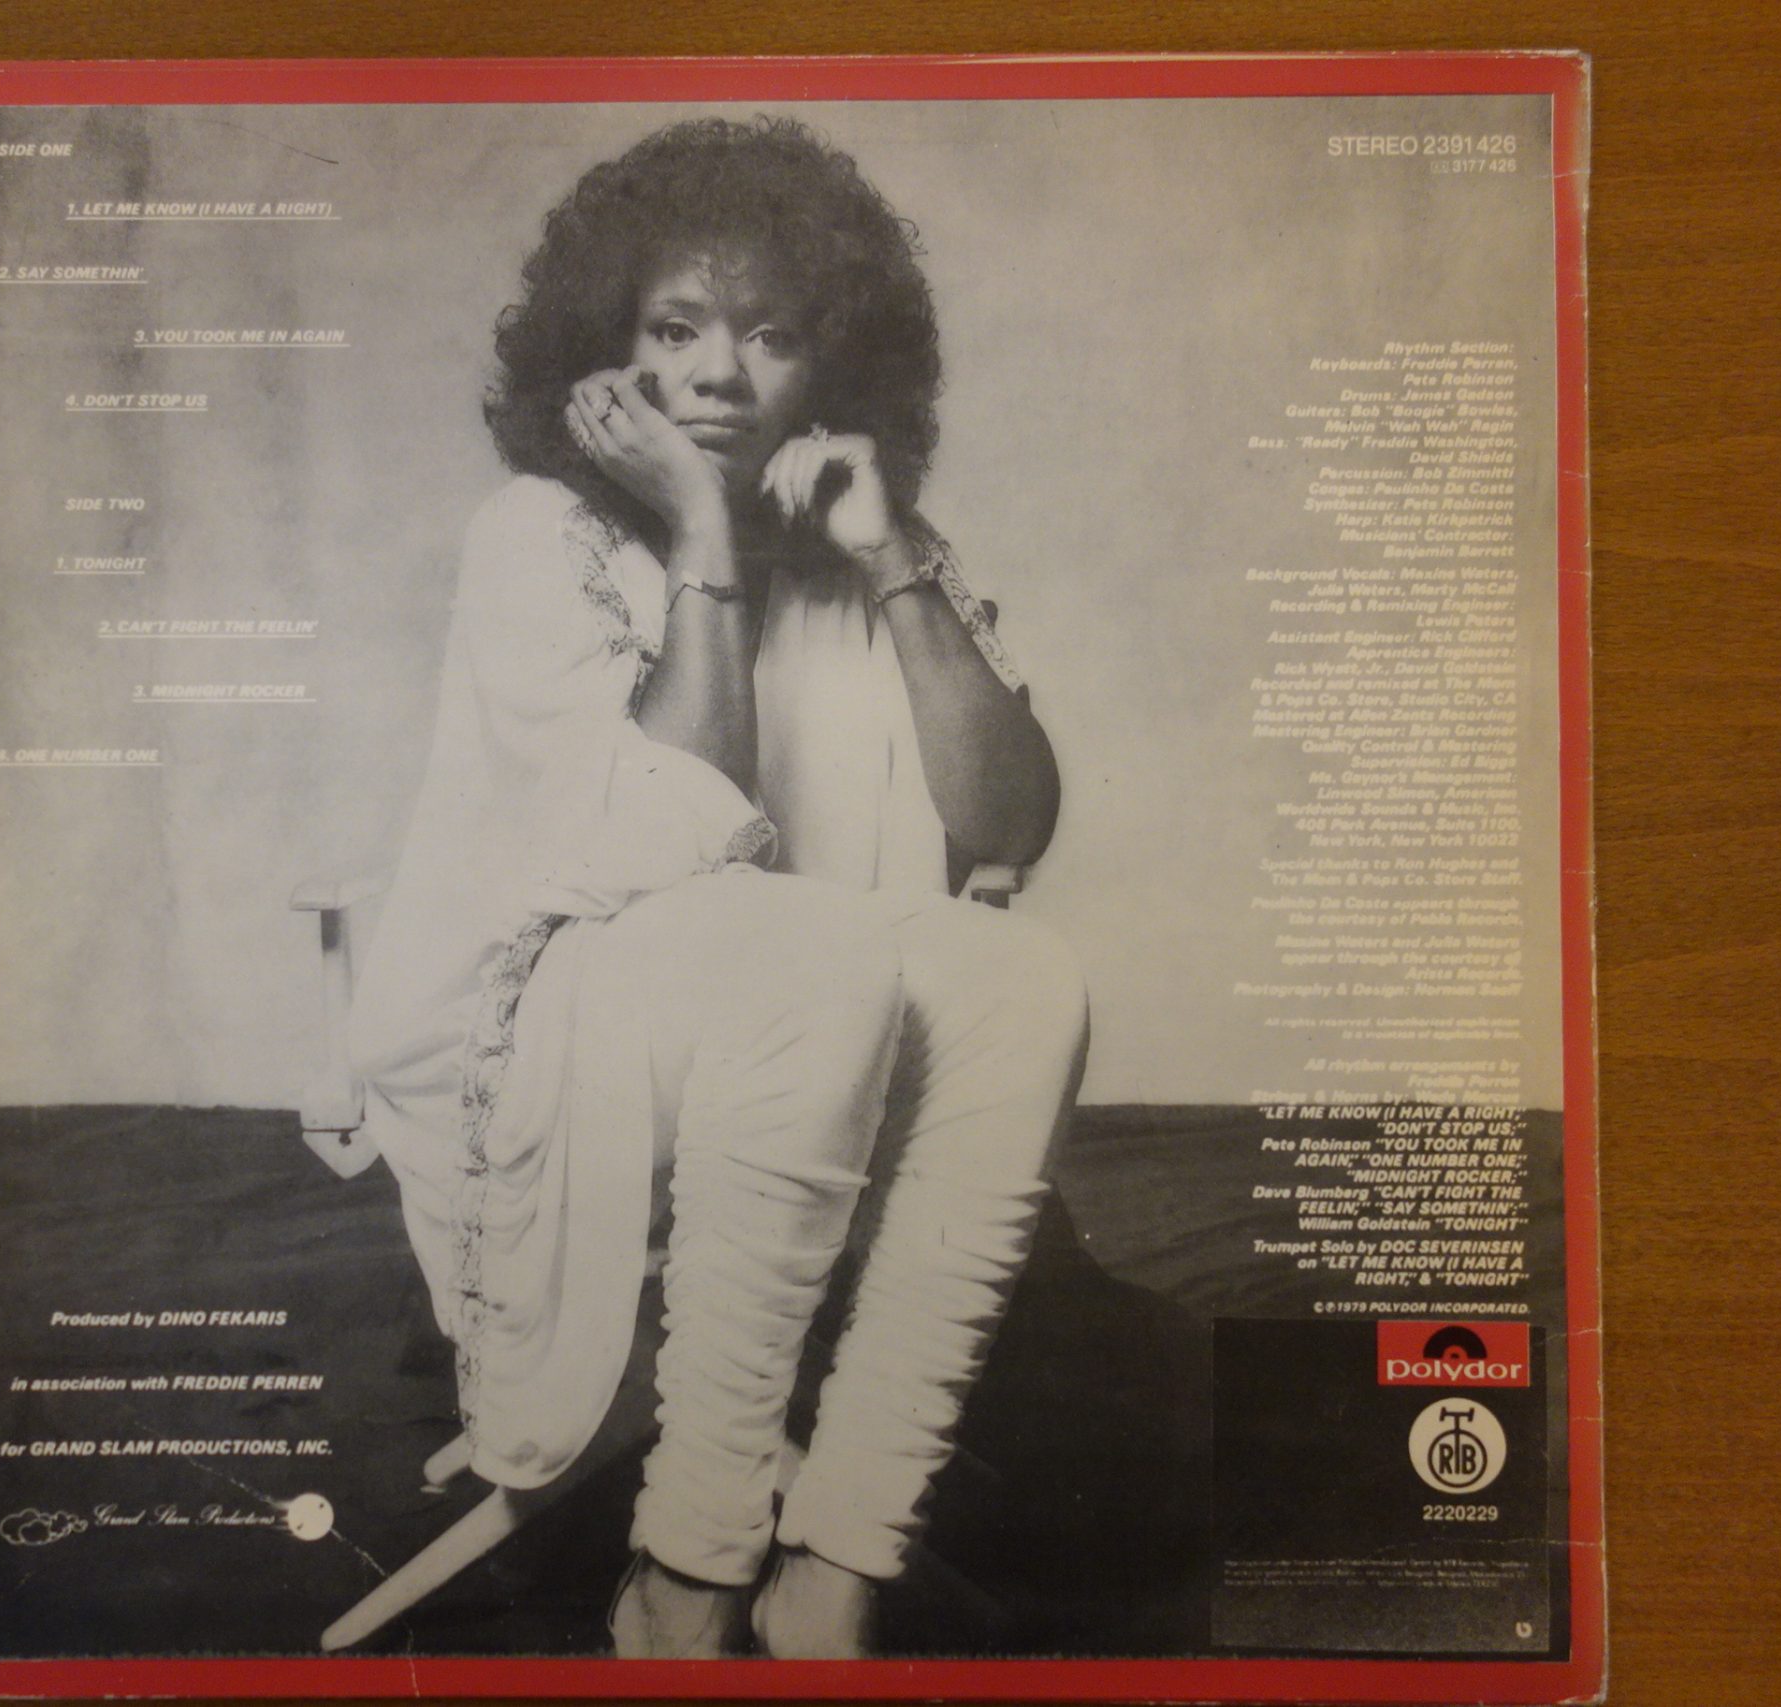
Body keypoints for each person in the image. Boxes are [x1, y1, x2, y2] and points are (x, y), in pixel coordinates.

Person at [347, 115, 1089, 1659]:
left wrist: (892, 562)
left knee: (1028, 978)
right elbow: (690, 827)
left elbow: (1011, 822)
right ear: (605, 356)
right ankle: (690, 1568)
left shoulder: (868, 543)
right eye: (675, 330)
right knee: (810, 947)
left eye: (773, 336)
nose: (720, 376)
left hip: (807, 1025)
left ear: (838, 364)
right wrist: (700, 526)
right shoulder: (539, 535)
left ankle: (840, 1561)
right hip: (565, 1029)